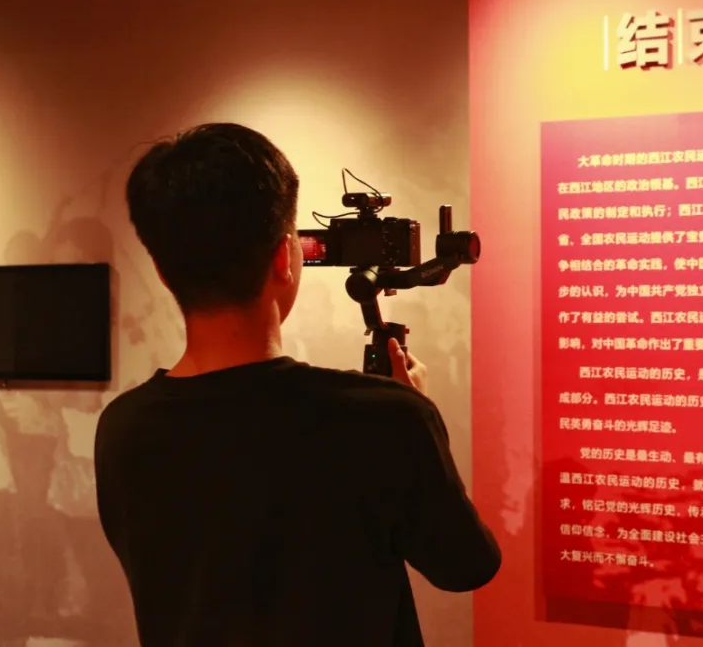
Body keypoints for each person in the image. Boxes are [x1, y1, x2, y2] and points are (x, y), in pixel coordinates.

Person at [94, 123, 500, 646]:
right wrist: (417, 415)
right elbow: (466, 565)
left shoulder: (123, 429)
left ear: (162, 269)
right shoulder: (383, 418)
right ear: (285, 257)